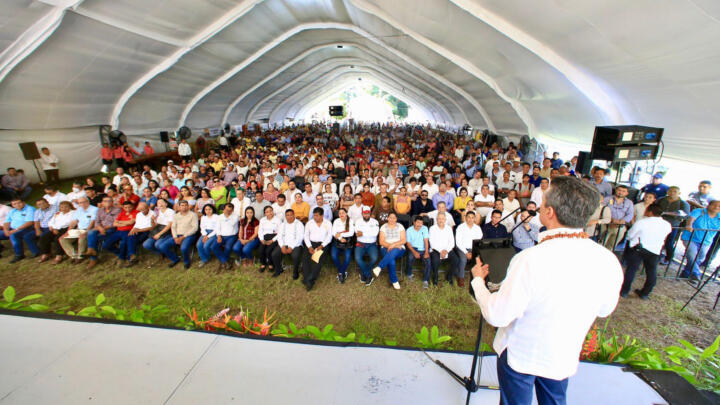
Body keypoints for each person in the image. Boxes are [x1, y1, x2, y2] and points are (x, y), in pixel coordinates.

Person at [470, 175, 622, 405]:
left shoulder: (530, 259)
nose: (539, 206)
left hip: (521, 356)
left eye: (542, 202)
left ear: (549, 212)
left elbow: (497, 314)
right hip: (562, 354)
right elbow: (604, 309)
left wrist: (479, 282)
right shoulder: (608, 260)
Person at [620, 204, 671, 299]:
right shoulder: (667, 225)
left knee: (631, 270)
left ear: (650, 212)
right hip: (655, 250)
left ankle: (624, 291)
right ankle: (645, 293)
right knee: (652, 272)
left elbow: (630, 234)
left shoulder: (642, 222)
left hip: (638, 249)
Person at [679, 200, 720, 283]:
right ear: (708, 205)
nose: (716, 207)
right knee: (692, 254)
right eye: (714, 205)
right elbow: (691, 219)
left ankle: (686, 273)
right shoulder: (699, 211)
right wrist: (689, 225)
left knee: (700, 257)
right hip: (690, 237)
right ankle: (696, 274)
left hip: (706, 241)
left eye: (719, 206)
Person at [372, 212, 407, 289]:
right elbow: (381, 242)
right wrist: (391, 245)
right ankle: (394, 281)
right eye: (390, 217)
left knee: (394, 251)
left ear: (396, 219)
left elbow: (404, 240)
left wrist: (394, 245)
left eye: (394, 218)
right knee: (391, 260)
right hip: (385, 247)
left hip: (399, 248)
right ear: (387, 218)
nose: (392, 219)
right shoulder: (383, 227)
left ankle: (379, 267)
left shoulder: (400, 226)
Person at [657, 186, 690, 265]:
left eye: (675, 191)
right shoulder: (661, 199)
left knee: (669, 242)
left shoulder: (683, 203)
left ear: (679, 193)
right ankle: (657, 255)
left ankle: (669, 258)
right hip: (659, 223)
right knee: (658, 240)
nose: (672, 193)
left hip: (673, 225)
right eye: (670, 191)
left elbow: (685, 215)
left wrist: (666, 213)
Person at [85, 196, 121, 269]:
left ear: (112, 202)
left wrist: (104, 228)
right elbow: (97, 222)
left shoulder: (117, 210)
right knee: (91, 232)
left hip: (112, 228)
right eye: (105, 201)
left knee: (96, 238)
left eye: (109, 201)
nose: (107, 202)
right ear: (102, 202)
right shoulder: (99, 210)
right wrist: (100, 228)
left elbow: (115, 222)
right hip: (100, 228)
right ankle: (91, 250)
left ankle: (93, 258)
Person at [302, 207, 332, 291]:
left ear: (322, 216)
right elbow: (306, 236)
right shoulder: (309, 223)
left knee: (317, 260)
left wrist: (322, 246)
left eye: (317, 216)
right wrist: (309, 246)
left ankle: (309, 279)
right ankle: (308, 278)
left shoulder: (328, 223)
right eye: (314, 215)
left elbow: (329, 237)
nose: (315, 217)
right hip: (311, 244)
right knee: (306, 259)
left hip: (322, 244)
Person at [162, 200, 198, 269]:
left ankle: (186, 262)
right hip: (177, 235)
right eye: (182, 205)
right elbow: (173, 227)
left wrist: (183, 237)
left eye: (185, 205)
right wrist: (175, 237)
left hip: (189, 235)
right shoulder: (176, 216)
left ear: (188, 206)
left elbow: (195, 228)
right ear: (179, 207)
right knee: (163, 246)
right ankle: (175, 259)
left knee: (183, 248)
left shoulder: (193, 215)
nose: (184, 207)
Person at [60, 197, 97, 263]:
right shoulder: (79, 210)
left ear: (88, 202)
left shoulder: (94, 209)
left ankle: (80, 256)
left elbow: (92, 222)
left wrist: (86, 232)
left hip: (90, 229)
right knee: (62, 239)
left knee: (82, 237)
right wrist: (68, 231)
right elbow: (74, 222)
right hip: (79, 229)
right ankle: (74, 255)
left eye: (84, 202)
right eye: (80, 203)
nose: (82, 204)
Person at [101, 201, 138, 267]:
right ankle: (121, 254)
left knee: (123, 243)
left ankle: (123, 258)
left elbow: (131, 222)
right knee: (106, 245)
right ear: (123, 207)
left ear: (132, 206)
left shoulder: (136, 212)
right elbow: (114, 224)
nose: (128, 209)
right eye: (126, 207)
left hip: (128, 231)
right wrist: (125, 223)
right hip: (118, 231)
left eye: (129, 207)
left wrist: (120, 222)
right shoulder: (122, 213)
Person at [270, 209, 305, 278]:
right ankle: (278, 270)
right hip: (284, 244)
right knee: (274, 254)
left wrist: (291, 247)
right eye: (287, 215)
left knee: (295, 256)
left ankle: (295, 272)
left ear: (294, 215)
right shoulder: (283, 224)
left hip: (296, 245)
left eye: (291, 215)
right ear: (285, 216)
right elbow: (279, 236)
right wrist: (282, 246)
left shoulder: (299, 224)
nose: (289, 217)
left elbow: (300, 237)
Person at [37, 201, 74, 265]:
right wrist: (53, 228)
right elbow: (51, 221)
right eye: (62, 207)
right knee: (44, 237)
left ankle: (59, 256)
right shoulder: (58, 213)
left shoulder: (73, 213)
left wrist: (55, 228)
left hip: (66, 229)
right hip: (55, 229)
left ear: (70, 206)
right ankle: (46, 254)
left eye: (66, 207)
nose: (64, 208)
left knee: (57, 239)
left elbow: (68, 223)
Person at [3, 198, 40, 263]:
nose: (17, 205)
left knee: (14, 235)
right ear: (12, 205)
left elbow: (30, 222)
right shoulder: (12, 211)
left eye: (19, 203)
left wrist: (15, 230)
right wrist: (6, 230)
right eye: (15, 204)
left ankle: (19, 254)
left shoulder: (30, 209)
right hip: (14, 229)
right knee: (8, 234)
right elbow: (7, 222)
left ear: (23, 202)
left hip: (28, 228)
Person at [142, 198, 175, 266]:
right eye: (158, 203)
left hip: (167, 230)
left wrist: (159, 234)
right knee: (146, 244)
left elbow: (169, 225)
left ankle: (170, 256)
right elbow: (156, 224)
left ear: (166, 203)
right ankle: (161, 253)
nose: (160, 204)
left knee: (158, 244)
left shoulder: (170, 211)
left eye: (162, 202)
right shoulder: (157, 212)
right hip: (157, 229)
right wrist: (153, 220)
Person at [454, 211, 483, 286]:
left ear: (475, 219)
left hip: (474, 248)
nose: (470, 219)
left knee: (479, 259)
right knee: (463, 260)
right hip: (462, 248)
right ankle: (461, 278)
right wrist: (466, 252)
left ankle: (478, 277)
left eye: (472, 217)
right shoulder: (460, 227)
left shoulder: (477, 228)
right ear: (465, 218)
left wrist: (473, 251)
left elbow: (479, 241)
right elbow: (458, 242)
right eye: (469, 217)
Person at [428, 212, 456, 286]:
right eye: (439, 219)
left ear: (445, 220)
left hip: (447, 249)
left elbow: (452, 242)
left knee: (456, 260)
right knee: (435, 260)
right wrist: (441, 251)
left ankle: (449, 277)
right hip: (436, 249)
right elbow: (432, 242)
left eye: (442, 219)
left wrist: (446, 250)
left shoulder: (449, 228)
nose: (441, 220)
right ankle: (435, 277)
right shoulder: (432, 228)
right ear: (436, 219)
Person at [602, 185, 634, 250]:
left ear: (627, 193)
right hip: (606, 225)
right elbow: (601, 209)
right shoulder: (607, 199)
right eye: (619, 190)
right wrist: (611, 220)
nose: (620, 192)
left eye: (623, 191)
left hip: (620, 227)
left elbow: (630, 214)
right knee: (601, 243)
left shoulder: (629, 203)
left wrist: (622, 221)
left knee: (612, 245)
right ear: (615, 190)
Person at [354, 207, 380, 285]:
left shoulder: (375, 221)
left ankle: (363, 273)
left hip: (372, 244)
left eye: (368, 213)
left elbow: (375, 233)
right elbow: (358, 233)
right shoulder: (358, 221)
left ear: (370, 213)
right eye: (364, 213)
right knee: (357, 258)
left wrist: (363, 233)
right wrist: (369, 232)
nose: (366, 215)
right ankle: (368, 275)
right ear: (362, 214)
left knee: (374, 258)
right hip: (360, 243)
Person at [124, 202, 154, 266]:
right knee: (130, 236)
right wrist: (133, 229)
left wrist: (139, 230)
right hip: (139, 230)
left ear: (148, 207)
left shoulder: (153, 214)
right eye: (141, 210)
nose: (142, 211)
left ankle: (131, 257)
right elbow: (136, 224)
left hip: (148, 231)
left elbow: (151, 228)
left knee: (131, 241)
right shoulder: (139, 214)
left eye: (144, 209)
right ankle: (132, 256)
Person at [405, 216, 431, 288]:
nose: (419, 224)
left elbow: (426, 241)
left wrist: (426, 252)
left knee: (428, 261)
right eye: (418, 222)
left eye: (421, 223)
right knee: (410, 257)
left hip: (423, 249)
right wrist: (414, 252)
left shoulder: (425, 228)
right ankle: (409, 274)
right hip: (413, 248)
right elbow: (408, 243)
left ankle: (425, 280)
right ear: (414, 222)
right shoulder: (409, 230)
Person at [331, 208, 355, 283]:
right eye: (340, 213)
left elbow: (351, 233)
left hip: (347, 241)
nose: (341, 214)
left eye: (343, 213)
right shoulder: (336, 221)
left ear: (346, 213)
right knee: (334, 256)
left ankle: (341, 272)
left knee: (347, 257)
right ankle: (343, 271)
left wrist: (340, 234)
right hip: (337, 241)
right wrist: (340, 238)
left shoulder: (350, 221)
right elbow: (333, 232)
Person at [257, 206, 281, 272]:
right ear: (265, 213)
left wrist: (272, 240)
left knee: (268, 250)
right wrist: (261, 239)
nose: (269, 213)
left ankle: (271, 264)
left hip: (274, 237)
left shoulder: (278, 220)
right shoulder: (262, 220)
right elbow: (260, 231)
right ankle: (263, 264)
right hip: (264, 237)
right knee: (261, 250)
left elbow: (280, 232)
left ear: (273, 211)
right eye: (267, 212)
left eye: (270, 211)